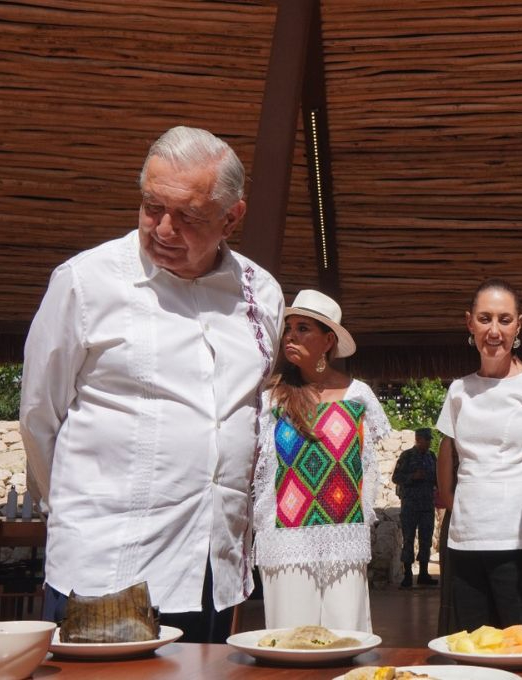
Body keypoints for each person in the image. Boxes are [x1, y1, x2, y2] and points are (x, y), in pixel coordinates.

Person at [20, 126, 283, 643]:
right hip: (108, 570)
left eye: (188, 215)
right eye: (150, 206)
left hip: (214, 571)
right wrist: (88, 512)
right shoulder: (84, 282)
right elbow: (38, 417)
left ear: (232, 217)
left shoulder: (262, 294)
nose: (163, 228)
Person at [435, 278, 522, 631]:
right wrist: (456, 511)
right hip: (465, 541)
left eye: (504, 320)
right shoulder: (459, 390)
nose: (494, 330)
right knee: (471, 650)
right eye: (485, 318)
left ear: (518, 325)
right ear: (469, 323)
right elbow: (446, 454)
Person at [252, 289, 389, 631]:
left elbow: (368, 468)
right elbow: (259, 468)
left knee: (347, 638)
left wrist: (362, 519)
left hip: (345, 538)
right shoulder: (271, 398)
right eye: (289, 328)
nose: (291, 336)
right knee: (291, 642)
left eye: (303, 328)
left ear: (328, 340)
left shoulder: (359, 396)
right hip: (286, 540)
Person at [393, 427, 439, 588]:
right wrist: (412, 476)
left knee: (426, 539)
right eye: (425, 439)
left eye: (428, 440)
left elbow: (438, 477)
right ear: (417, 439)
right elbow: (396, 477)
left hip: (427, 505)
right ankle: (407, 576)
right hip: (410, 505)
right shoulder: (407, 456)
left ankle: (424, 574)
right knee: (408, 539)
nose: (427, 443)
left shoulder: (432, 456)